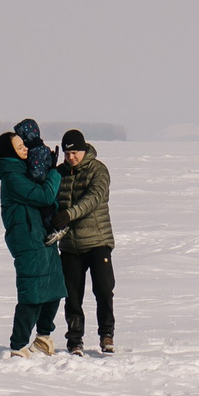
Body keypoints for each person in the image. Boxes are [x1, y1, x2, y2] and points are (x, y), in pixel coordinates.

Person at [0, 120, 65, 357]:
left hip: (40, 236)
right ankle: (18, 345)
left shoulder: (24, 170)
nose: (25, 149)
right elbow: (44, 196)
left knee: (54, 288)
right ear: (9, 152)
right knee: (32, 293)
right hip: (27, 239)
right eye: (19, 146)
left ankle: (43, 337)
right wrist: (54, 172)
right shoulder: (12, 177)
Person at [54, 129, 116, 355]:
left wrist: (68, 215)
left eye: (75, 153)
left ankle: (106, 335)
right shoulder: (59, 173)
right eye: (67, 154)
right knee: (72, 295)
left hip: (97, 240)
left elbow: (93, 199)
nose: (71, 157)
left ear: (84, 149)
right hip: (70, 245)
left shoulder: (98, 170)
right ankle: (74, 340)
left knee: (103, 290)